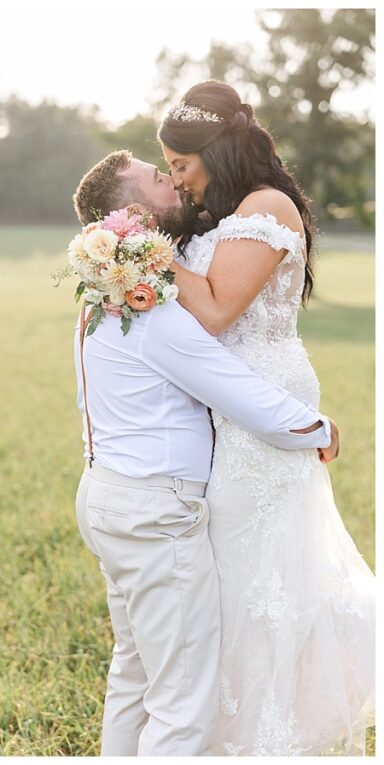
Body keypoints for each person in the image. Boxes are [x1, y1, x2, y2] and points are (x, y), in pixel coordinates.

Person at [70, 156, 342, 755]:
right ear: (134, 216)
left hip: (107, 496)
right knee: (184, 703)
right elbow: (232, 386)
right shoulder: (149, 307)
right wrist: (316, 427)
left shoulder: (101, 295)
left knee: (136, 677)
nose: (175, 182)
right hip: (154, 512)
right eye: (160, 178)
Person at [157, 80, 374, 756]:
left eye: (181, 166)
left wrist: (146, 253)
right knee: (233, 573)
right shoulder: (227, 210)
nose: (177, 181)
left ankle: (261, 733)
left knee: (257, 575)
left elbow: (219, 308)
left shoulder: (268, 204)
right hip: (229, 403)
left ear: (215, 152)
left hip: (262, 404)